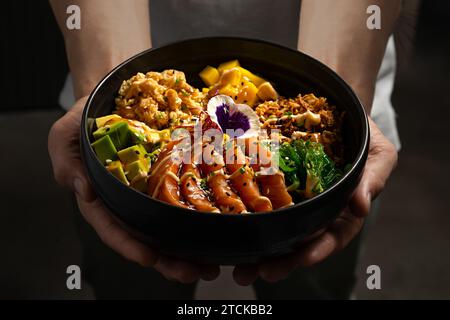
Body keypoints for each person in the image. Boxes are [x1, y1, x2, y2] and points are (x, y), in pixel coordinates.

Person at [48, 0, 399, 299]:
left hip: (349, 55)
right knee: (131, 284)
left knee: (313, 286)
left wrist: (337, 92)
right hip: (118, 52)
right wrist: (110, 81)